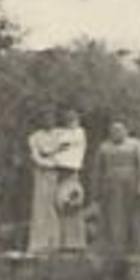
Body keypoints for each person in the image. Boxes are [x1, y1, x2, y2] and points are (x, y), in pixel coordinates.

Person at [95, 119, 140, 254]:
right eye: (113, 130)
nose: (117, 133)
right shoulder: (104, 146)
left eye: (120, 129)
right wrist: (97, 189)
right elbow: (98, 170)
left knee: (135, 215)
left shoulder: (135, 144)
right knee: (114, 215)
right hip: (111, 185)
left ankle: (137, 247)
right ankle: (116, 247)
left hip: (132, 182)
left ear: (126, 130)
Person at [51, 108, 89, 252]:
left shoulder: (80, 132)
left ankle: (77, 242)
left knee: (74, 205)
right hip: (61, 171)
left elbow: (70, 145)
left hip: (73, 171)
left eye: (73, 118)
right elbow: (55, 147)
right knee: (61, 206)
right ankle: (64, 242)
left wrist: (62, 146)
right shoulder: (60, 132)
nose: (70, 121)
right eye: (68, 118)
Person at [26, 110, 63, 253]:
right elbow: (35, 156)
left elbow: (64, 154)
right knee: (40, 206)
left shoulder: (60, 135)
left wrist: (52, 157)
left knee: (55, 206)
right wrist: (47, 159)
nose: (48, 120)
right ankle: (38, 243)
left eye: (51, 117)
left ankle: (54, 242)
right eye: (45, 118)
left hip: (57, 173)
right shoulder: (35, 137)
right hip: (41, 173)